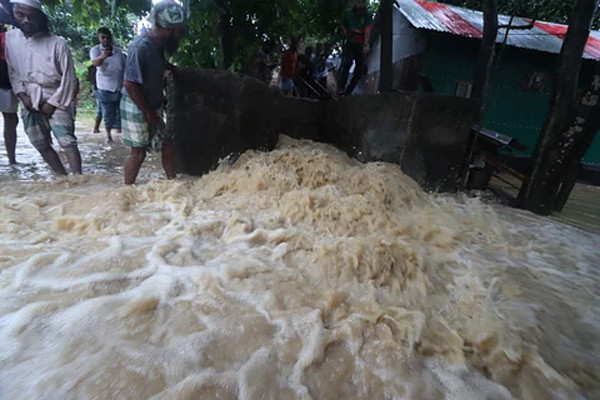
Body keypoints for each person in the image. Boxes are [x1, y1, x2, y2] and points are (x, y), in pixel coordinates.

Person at [6, 0, 81, 175]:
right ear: (14, 14)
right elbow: (13, 72)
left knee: (67, 141)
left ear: (41, 18)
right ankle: (61, 177)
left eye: (30, 16)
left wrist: (52, 103)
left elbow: (69, 79)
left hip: (57, 95)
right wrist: (22, 95)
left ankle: (79, 179)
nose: (26, 20)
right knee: (39, 142)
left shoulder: (58, 43)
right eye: (20, 15)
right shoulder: (10, 39)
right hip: (28, 97)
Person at [121, 0, 186, 185]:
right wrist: (149, 113)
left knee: (167, 142)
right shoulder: (139, 47)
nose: (179, 36)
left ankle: (173, 185)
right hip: (136, 105)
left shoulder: (157, 46)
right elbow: (130, 83)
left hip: (152, 103)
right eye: (178, 32)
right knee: (139, 152)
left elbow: (157, 66)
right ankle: (126, 191)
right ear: (167, 30)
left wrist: (173, 69)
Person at [90, 27, 125, 143]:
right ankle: (108, 135)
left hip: (119, 87)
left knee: (118, 111)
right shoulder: (95, 50)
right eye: (102, 37)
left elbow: (124, 68)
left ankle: (119, 130)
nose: (105, 40)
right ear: (99, 38)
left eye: (107, 37)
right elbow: (95, 63)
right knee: (106, 112)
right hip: (104, 87)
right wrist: (104, 55)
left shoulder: (118, 52)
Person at [337, 0, 372, 96]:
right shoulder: (349, 14)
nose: (360, 4)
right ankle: (341, 87)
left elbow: (368, 29)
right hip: (350, 41)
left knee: (360, 69)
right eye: (358, 2)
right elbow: (342, 24)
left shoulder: (367, 15)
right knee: (347, 63)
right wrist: (346, 32)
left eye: (362, 2)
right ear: (354, 3)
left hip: (360, 42)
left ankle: (348, 91)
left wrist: (366, 44)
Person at [0, 24, 17, 164]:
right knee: (11, 120)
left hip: (7, 83)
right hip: (7, 83)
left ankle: (12, 159)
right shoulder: (11, 36)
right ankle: (12, 159)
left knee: (11, 119)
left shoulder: (11, 36)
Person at [87, 63, 102, 133]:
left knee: (100, 108)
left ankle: (96, 128)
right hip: (98, 87)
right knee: (100, 108)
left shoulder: (92, 66)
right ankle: (96, 128)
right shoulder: (94, 66)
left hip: (97, 87)